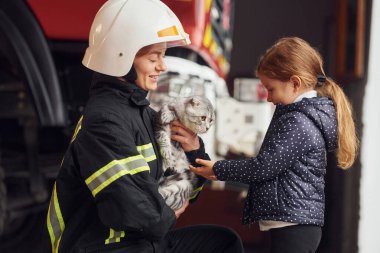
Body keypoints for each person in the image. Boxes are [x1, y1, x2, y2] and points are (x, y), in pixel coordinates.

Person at [41, 0, 244, 252]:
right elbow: (135, 211)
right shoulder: (104, 121)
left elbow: (181, 189)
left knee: (224, 243)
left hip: (143, 243)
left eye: (163, 55)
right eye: (153, 57)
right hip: (106, 247)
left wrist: (193, 150)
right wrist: (167, 214)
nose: (163, 65)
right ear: (121, 57)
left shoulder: (145, 115)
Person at [190, 37, 359, 253]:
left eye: (271, 89)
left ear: (295, 83)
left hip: (294, 225)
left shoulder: (299, 121)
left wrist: (218, 169)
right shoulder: (298, 115)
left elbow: (264, 167)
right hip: (294, 222)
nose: (269, 98)